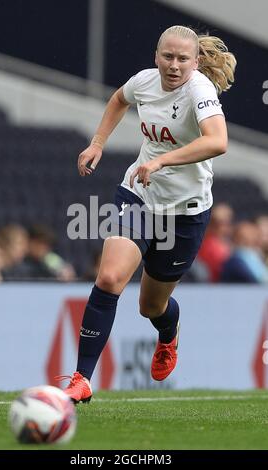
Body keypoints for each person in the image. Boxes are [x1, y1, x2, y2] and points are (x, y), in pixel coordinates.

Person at [62, 25, 236, 403]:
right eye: (167, 57)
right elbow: (118, 100)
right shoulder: (144, 81)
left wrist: (162, 162)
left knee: (150, 306)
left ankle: (168, 334)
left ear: (196, 61)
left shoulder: (199, 90)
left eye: (182, 59)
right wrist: (97, 143)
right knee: (109, 278)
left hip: (186, 212)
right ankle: (81, 379)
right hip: (138, 195)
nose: (174, 66)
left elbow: (217, 141)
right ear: (156, 56)